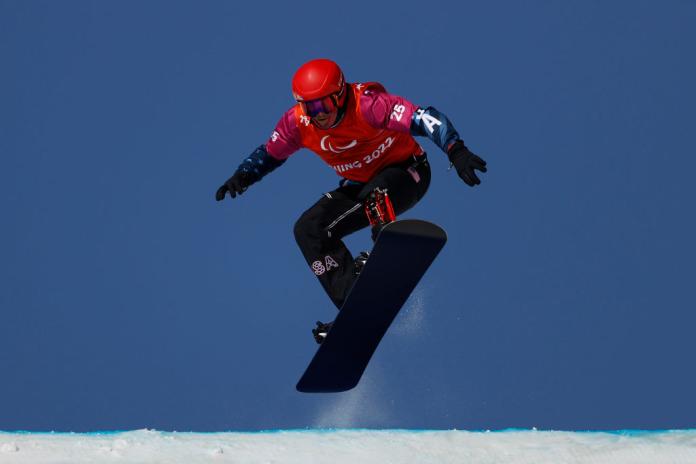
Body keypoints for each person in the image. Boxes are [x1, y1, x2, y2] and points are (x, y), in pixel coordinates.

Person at [216, 59, 487, 343]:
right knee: (308, 228)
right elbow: (270, 153)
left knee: (376, 193)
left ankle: (385, 253)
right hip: (359, 186)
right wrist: (243, 175)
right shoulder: (298, 123)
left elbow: (425, 117)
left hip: (408, 173)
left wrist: (456, 150)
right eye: (309, 108)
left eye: (323, 106)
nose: (317, 115)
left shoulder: (367, 105)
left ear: (340, 94)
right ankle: (351, 302)